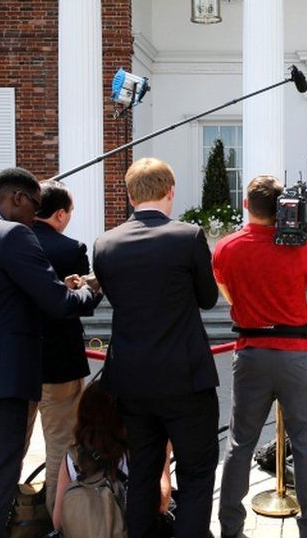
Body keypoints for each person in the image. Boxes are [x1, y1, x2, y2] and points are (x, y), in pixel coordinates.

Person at [0, 167, 99, 538]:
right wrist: (90, 290)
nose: (35, 217)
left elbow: (1, 298)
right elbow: (57, 303)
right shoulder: (13, 235)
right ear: (16, 198)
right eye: (34, 206)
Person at [93, 157, 220, 538]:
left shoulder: (105, 243)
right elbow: (208, 297)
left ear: (130, 195)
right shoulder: (188, 236)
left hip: (131, 377)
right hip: (184, 377)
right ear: (170, 191)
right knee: (197, 474)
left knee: (144, 471)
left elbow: (115, 297)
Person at [215, 174, 307, 538]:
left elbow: (229, 297)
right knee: (305, 443)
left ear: (247, 205)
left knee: (240, 443)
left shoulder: (226, 248)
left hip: (250, 351)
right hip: (295, 353)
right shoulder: (297, 248)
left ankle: (230, 525)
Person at [24, 180, 94, 513]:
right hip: (59, 360)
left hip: (16, 362)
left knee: (10, 448)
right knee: (61, 446)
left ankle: (8, 515)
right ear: (61, 214)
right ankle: (57, 519)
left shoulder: (12, 245)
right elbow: (81, 303)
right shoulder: (70, 249)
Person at [52, 379, 172, 536]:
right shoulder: (136, 453)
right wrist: (165, 453)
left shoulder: (72, 457)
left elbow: (58, 520)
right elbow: (161, 502)